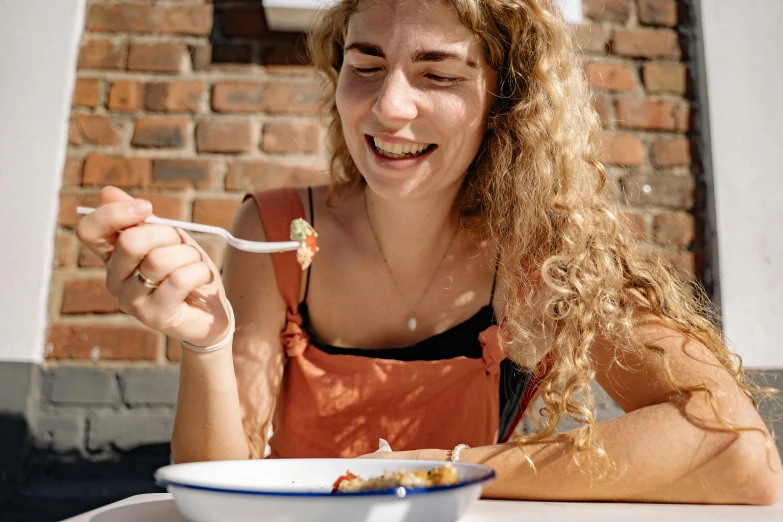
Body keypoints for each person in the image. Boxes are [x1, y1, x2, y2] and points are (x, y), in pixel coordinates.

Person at [76, 0, 782, 505]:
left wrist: (450, 469)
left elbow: (739, 453)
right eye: (366, 63)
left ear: (502, 101)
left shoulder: (540, 257)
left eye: (438, 73)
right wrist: (205, 342)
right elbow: (217, 493)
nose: (388, 107)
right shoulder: (275, 230)